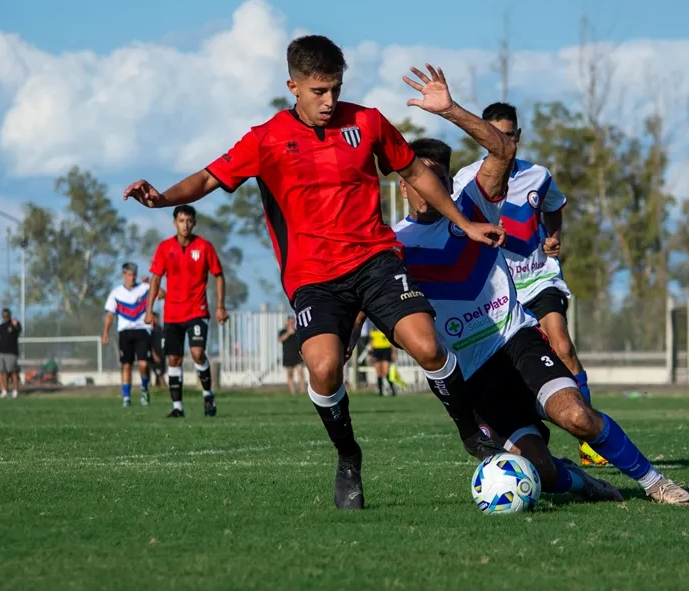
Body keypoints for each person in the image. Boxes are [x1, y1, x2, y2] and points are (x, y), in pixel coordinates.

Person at [124, 36, 505, 511]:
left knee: (427, 345)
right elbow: (207, 177)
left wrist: (464, 222)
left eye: (336, 89)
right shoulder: (264, 139)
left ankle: (472, 431)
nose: (329, 102)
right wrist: (163, 198)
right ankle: (348, 457)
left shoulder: (366, 122)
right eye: (319, 91)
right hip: (314, 279)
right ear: (294, 86)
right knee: (325, 371)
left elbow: (415, 173)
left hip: (375, 260)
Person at [390, 65, 689, 505]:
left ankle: (654, 482)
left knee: (577, 417)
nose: (429, 185)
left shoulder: (474, 204)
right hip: (475, 375)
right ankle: (583, 482)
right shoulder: (395, 246)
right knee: (542, 472)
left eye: (438, 175)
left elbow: (501, 151)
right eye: (420, 177)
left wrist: (451, 109)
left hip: (516, 341)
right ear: (404, 186)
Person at [453, 102, 606, 467]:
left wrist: (553, 235)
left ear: (518, 136)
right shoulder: (466, 179)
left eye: (509, 134)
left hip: (538, 278)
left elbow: (554, 206)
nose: (503, 140)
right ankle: (530, 435)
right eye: (494, 133)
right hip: (499, 291)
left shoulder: (538, 175)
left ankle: (588, 439)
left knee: (563, 345)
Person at [147, 205, 226, 418]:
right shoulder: (164, 248)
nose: (185, 225)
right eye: (181, 221)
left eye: (189, 221)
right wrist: (149, 309)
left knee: (198, 353)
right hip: (172, 313)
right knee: (174, 359)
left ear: (194, 223)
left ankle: (208, 395)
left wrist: (220, 306)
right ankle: (178, 408)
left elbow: (218, 275)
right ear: (175, 223)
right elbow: (155, 278)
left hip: (197, 310)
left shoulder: (204, 247)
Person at [103, 262, 153, 407]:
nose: (132, 278)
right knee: (127, 366)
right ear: (123, 275)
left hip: (142, 330)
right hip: (125, 332)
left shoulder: (144, 288)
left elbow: (162, 294)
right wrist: (105, 332)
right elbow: (110, 314)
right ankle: (126, 397)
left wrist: (151, 282)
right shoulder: (116, 293)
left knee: (143, 364)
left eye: (134, 275)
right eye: (129, 275)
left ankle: (144, 389)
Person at [0, 308, 22, 399]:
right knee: (3, 372)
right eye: (3, 315)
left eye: (6, 315)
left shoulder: (14, 325)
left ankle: (15, 391)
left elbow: (18, 330)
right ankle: (4, 391)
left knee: (13, 372)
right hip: (1, 352)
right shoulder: (1, 326)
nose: (5, 317)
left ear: (9, 315)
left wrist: (15, 325)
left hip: (11, 353)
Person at [278, 315, 304, 395]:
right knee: (290, 375)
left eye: (293, 322)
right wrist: (288, 333)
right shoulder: (283, 331)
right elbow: (280, 339)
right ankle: (293, 391)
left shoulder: (297, 332)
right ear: (287, 322)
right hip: (288, 356)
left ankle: (302, 390)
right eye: (290, 322)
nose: (292, 323)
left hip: (297, 355)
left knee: (300, 373)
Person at [368, 323, 396, 396]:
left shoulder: (386, 327)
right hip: (376, 350)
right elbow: (371, 342)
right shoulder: (373, 329)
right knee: (379, 372)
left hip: (386, 349)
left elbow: (392, 340)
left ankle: (392, 390)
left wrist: (394, 352)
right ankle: (380, 392)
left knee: (386, 371)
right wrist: (370, 354)